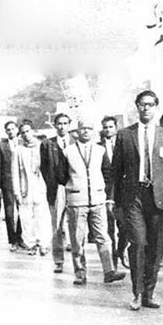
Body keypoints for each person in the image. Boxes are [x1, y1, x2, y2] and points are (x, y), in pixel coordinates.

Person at [112, 90, 163, 310]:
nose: (146, 109)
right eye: (142, 105)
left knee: (155, 247)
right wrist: (113, 201)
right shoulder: (125, 135)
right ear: (137, 106)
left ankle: (149, 293)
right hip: (134, 197)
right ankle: (136, 292)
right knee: (139, 244)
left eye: (150, 105)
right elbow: (116, 171)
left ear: (156, 107)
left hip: (158, 200)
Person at [56, 118, 126, 286]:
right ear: (76, 131)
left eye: (89, 128)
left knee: (103, 236)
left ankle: (109, 271)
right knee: (77, 239)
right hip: (77, 200)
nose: (85, 131)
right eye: (82, 128)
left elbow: (108, 173)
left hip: (97, 200)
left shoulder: (100, 151)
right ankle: (80, 273)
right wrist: (74, 186)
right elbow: (60, 175)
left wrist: (103, 191)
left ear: (94, 131)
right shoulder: (68, 151)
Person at [41, 113, 75, 272]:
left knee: (75, 226)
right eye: (59, 124)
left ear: (69, 125)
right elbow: (44, 168)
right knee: (57, 226)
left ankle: (78, 262)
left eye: (65, 123)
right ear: (55, 126)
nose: (62, 127)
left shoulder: (76, 142)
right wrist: (52, 184)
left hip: (74, 187)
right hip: (57, 189)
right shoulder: (47, 144)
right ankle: (59, 261)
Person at [13, 121, 52, 255]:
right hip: (25, 188)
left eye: (28, 131)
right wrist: (17, 192)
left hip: (40, 186)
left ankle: (43, 243)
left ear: (33, 131)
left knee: (42, 216)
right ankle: (30, 244)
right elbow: (15, 173)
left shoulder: (42, 146)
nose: (25, 134)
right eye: (22, 132)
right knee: (26, 217)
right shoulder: (18, 150)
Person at [99, 115, 128, 269]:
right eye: (105, 127)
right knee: (108, 228)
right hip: (104, 191)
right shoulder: (97, 147)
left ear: (116, 128)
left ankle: (121, 250)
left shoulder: (123, 144)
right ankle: (113, 263)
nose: (108, 130)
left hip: (121, 192)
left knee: (124, 226)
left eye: (110, 126)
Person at [0, 121, 25, 251]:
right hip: (8, 183)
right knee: (10, 213)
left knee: (24, 211)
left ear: (17, 129)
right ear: (5, 132)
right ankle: (13, 240)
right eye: (8, 130)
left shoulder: (24, 143)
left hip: (23, 182)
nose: (11, 131)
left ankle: (21, 237)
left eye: (13, 129)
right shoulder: (1, 146)